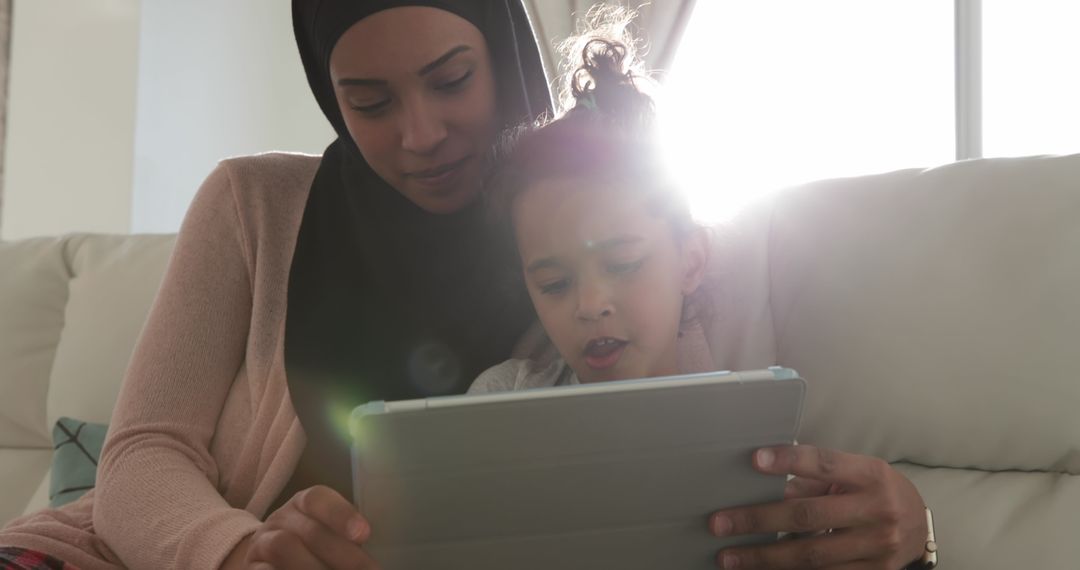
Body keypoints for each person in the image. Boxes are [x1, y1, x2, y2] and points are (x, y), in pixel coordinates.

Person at [0, 2, 551, 569]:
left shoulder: (589, 243)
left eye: (452, 81)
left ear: (504, 60)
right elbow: (142, 454)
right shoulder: (254, 204)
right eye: (370, 103)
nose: (421, 134)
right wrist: (240, 551)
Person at [470, 23, 936, 570]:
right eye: (553, 283)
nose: (588, 304)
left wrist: (918, 542)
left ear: (690, 261)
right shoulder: (498, 404)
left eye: (622, 264)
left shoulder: (761, 441)